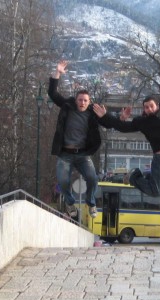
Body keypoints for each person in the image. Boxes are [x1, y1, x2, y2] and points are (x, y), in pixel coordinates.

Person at [93, 52, 160, 202]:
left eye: (150, 106)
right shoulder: (143, 122)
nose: (148, 109)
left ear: (157, 105)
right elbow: (123, 127)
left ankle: (149, 177)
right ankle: (134, 175)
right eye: (145, 107)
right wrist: (106, 116)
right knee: (155, 191)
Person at [48, 60, 110, 219]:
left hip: (83, 154)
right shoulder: (67, 106)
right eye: (80, 99)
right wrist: (57, 73)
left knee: (92, 178)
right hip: (65, 154)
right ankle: (70, 203)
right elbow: (53, 94)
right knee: (63, 181)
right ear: (76, 100)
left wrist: (121, 118)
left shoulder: (92, 113)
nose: (82, 103)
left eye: (85, 100)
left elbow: (108, 123)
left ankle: (91, 203)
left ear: (89, 102)